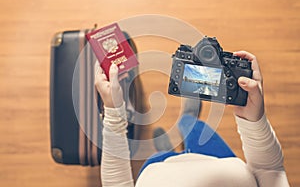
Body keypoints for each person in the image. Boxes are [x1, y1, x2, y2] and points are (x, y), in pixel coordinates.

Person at [94, 51, 290, 187]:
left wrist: (114, 112)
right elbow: (269, 169)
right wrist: (253, 121)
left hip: (158, 168)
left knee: (161, 154)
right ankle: (187, 120)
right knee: (195, 129)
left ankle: (170, 148)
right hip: (222, 161)